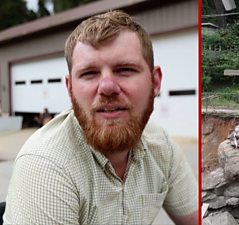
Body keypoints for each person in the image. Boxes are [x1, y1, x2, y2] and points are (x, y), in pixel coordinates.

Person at [3, 10, 198, 225]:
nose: (107, 87)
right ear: (70, 89)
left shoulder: (162, 147)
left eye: (124, 69)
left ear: (155, 82)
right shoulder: (45, 167)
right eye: (89, 73)